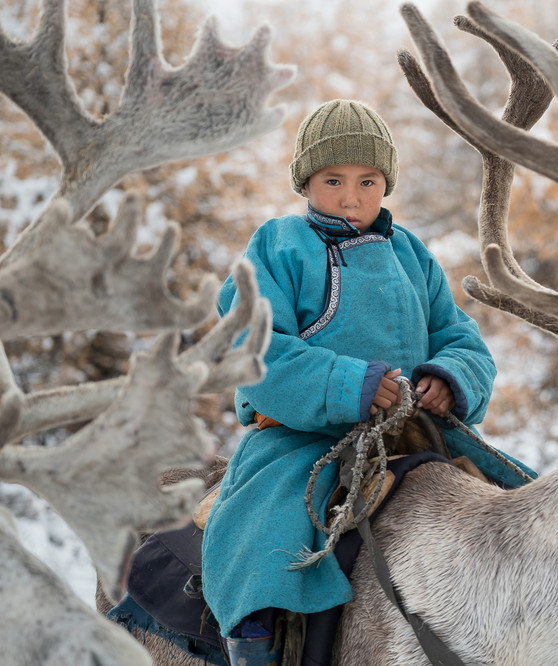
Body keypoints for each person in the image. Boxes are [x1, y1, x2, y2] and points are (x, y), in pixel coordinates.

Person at [201, 99, 535, 665]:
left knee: (526, 511)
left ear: (386, 184)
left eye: (367, 180)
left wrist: (450, 380)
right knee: (262, 542)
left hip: (418, 433)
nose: (350, 197)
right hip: (303, 438)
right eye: (332, 180)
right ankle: (254, 643)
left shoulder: (410, 253)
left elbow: (461, 338)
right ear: (306, 182)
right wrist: (346, 383)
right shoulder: (278, 244)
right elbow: (249, 343)